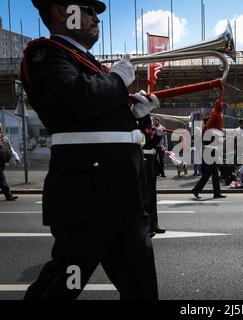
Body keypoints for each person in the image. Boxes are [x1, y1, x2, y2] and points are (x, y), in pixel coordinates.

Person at [21, 0, 158, 300]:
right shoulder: (45, 53)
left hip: (124, 195)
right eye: (87, 9)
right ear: (60, 11)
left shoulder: (92, 65)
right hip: (85, 197)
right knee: (60, 288)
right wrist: (119, 80)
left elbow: (97, 114)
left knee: (142, 292)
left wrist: (134, 115)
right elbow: (73, 100)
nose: (96, 17)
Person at [192, 99, 226, 200]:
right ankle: (213, 192)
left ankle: (208, 191)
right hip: (208, 153)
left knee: (210, 174)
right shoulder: (208, 130)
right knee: (211, 173)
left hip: (210, 152)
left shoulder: (208, 130)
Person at [138, 113, 166, 236]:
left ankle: (153, 225)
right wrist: (152, 133)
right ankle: (146, 228)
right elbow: (144, 143)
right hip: (144, 161)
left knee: (152, 196)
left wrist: (159, 135)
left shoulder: (148, 129)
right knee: (145, 197)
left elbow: (153, 143)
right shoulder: (139, 128)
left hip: (151, 162)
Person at [0, 122, 20, 201]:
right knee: (1, 178)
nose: (0, 128)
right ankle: (8, 196)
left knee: (0, 179)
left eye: (1, 127)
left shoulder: (4, 137)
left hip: (2, 161)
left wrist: (16, 157)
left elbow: (10, 148)